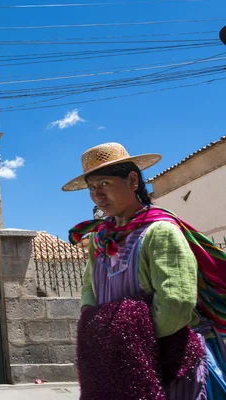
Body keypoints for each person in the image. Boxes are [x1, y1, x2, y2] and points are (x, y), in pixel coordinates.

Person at [63, 142, 226, 399]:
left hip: (172, 356)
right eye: (92, 188)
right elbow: (88, 291)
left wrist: (131, 342)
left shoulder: (160, 232)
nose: (97, 195)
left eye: (105, 184)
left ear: (132, 180)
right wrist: (99, 333)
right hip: (119, 361)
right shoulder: (99, 239)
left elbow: (176, 303)